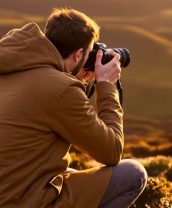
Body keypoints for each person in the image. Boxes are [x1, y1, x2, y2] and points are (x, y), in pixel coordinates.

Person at [0, 8, 147, 208]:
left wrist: (73, 77)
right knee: (133, 174)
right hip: (20, 201)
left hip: (12, 186)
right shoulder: (60, 89)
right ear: (78, 55)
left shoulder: (11, 65)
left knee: (70, 172)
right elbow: (111, 151)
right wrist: (106, 84)